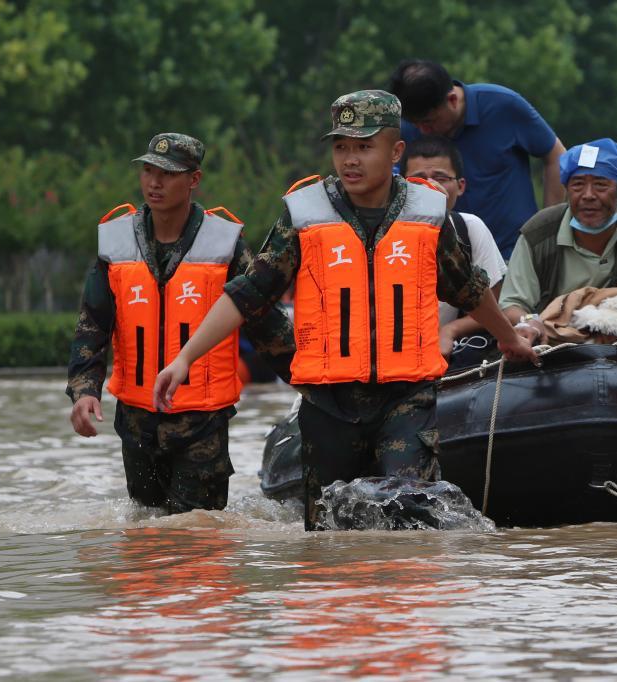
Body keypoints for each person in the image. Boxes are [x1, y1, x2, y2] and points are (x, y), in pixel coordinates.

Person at [152, 91, 537, 530]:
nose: (350, 159)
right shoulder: (304, 214)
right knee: (329, 535)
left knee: (410, 520)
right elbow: (247, 294)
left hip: (405, 397)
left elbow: (468, 289)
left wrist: (509, 339)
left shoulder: (427, 213)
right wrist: (186, 357)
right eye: (341, 147)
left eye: (363, 146)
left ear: (395, 151)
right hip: (329, 402)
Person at [67, 133, 294, 514]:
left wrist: (310, 383)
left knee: (196, 540)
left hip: (201, 419)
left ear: (194, 179)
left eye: (168, 174)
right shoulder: (116, 240)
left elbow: (263, 321)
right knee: (146, 535)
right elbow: (93, 323)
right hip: (136, 419)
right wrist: (85, 389)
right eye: (148, 171)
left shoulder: (224, 243)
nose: (154, 183)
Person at [500, 138, 617, 350]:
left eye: (600, 185)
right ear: (566, 190)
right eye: (578, 184)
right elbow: (512, 303)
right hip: (557, 348)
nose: (588, 195)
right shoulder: (539, 232)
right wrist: (530, 322)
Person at [389, 59, 567, 259]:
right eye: (415, 123)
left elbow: (556, 155)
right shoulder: (405, 129)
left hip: (513, 252)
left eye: (429, 122)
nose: (422, 131)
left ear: (452, 100)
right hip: (444, 258)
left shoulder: (503, 106)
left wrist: (547, 231)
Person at [401, 135, 508, 370]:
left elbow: (494, 304)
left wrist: (450, 330)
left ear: (460, 186)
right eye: (418, 180)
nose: (431, 186)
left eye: (440, 177)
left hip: (445, 358)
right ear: (401, 185)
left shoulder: (469, 229)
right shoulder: (384, 232)